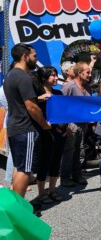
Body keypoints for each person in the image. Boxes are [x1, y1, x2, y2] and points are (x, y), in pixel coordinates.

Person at [3, 43, 51, 197]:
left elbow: (21, 101)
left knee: (19, 166)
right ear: (25, 57)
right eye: (34, 56)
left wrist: (38, 99)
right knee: (24, 170)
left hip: (14, 127)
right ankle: (20, 209)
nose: (36, 59)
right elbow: (31, 107)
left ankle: (16, 205)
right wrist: (44, 124)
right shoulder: (24, 77)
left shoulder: (10, 76)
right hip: (26, 129)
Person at [35, 66, 67, 203]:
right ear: (43, 78)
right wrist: (40, 98)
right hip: (45, 133)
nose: (56, 78)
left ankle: (52, 190)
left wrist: (63, 128)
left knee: (56, 161)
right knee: (44, 162)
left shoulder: (58, 93)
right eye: (52, 75)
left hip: (59, 133)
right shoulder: (37, 94)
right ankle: (41, 193)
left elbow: (65, 112)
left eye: (56, 75)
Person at [61, 61, 92, 187]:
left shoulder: (88, 87)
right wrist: (65, 125)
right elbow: (62, 106)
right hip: (71, 124)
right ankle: (65, 177)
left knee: (79, 151)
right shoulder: (70, 86)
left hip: (83, 124)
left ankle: (77, 175)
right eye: (88, 72)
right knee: (69, 152)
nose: (90, 75)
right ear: (80, 73)